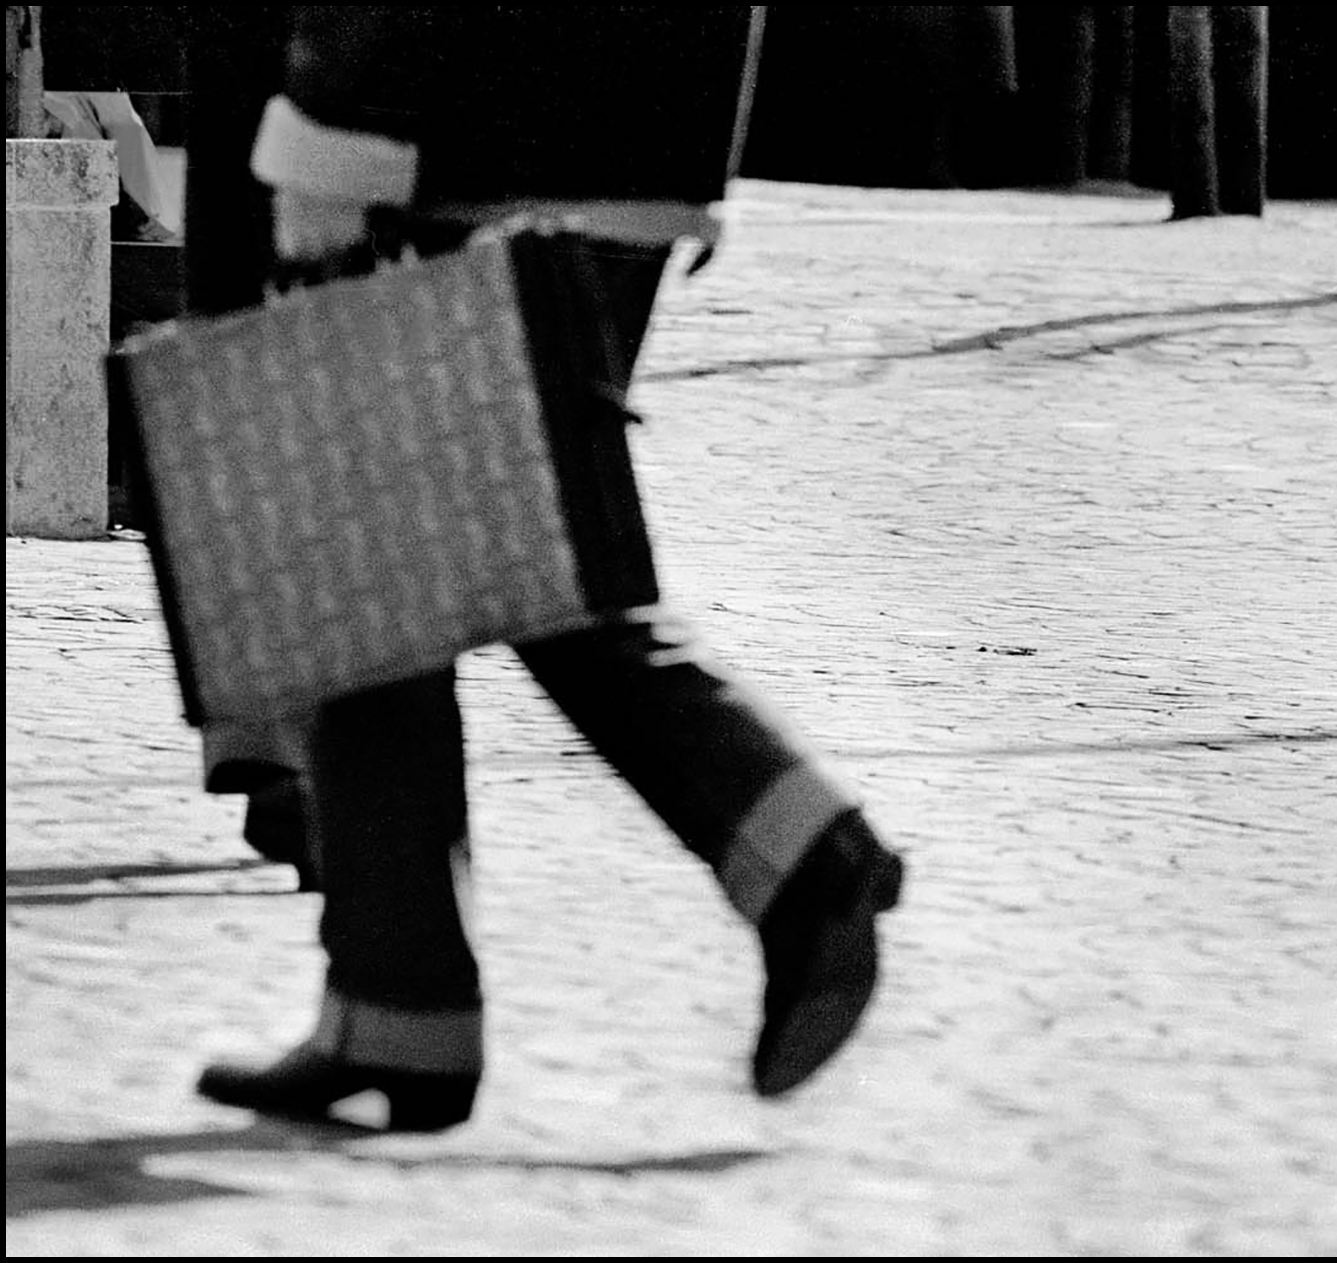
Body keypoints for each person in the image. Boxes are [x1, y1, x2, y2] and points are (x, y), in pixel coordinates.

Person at [191, 5, 907, 1131]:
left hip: (465, 130)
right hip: (616, 130)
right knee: (401, 569)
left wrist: (337, 120)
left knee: (460, 560)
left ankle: (803, 854)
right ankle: (392, 1002)